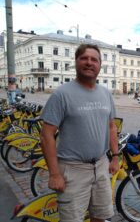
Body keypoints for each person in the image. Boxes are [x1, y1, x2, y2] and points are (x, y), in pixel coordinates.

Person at [40, 44, 119, 222]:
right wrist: (54, 174)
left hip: (100, 166)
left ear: (100, 65)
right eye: (84, 58)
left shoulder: (106, 94)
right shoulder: (61, 94)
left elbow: (111, 126)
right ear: (76, 62)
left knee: (100, 216)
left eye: (94, 59)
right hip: (72, 170)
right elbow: (46, 136)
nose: (89, 63)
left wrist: (115, 156)